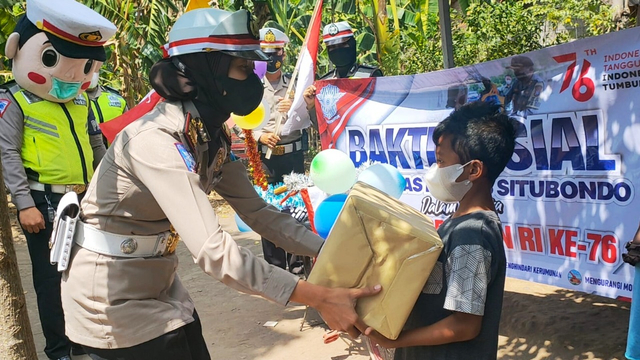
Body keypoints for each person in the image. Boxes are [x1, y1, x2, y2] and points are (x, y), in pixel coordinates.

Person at [59, 8, 380, 360]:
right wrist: (317, 296)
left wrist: (324, 250)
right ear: (205, 71)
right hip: (110, 304)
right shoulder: (156, 141)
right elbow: (213, 251)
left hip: (160, 287)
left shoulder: (207, 135)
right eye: (243, 68)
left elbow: (259, 211)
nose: (253, 80)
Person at [0, 1, 114, 359]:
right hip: (44, 203)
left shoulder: (81, 103)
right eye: (53, 59)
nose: (69, 76)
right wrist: (24, 204)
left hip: (85, 197)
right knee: (51, 282)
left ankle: (90, 341)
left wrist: (107, 187)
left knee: (92, 272)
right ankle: (61, 350)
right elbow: (8, 154)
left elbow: (96, 145)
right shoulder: (16, 101)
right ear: (18, 48)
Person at [361, 101, 516, 360]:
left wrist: (396, 340)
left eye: (441, 161)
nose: (435, 170)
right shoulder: (459, 222)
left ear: (474, 170)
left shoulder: (472, 234)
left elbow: (464, 325)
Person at [253, 26, 310, 271]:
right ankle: (274, 266)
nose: (271, 58)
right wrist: (259, 136)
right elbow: (236, 121)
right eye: (266, 53)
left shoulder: (297, 85)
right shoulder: (252, 86)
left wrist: (302, 103)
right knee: (268, 210)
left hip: (293, 156)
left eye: (275, 53)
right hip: (266, 160)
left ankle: (297, 264)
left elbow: (311, 119)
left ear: (283, 54)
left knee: (296, 209)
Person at [303, 21, 383, 122]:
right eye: (331, 47)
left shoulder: (370, 75)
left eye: (342, 44)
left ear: (352, 44)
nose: (337, 50)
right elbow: (322, 127)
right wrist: (311, 106)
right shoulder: (325, 82)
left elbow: (382, 113)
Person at [86, 72, 128, 146]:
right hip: (86, 154)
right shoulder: (69, 100)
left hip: (116, 154)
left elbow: (129, 130)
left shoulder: (117, 98)